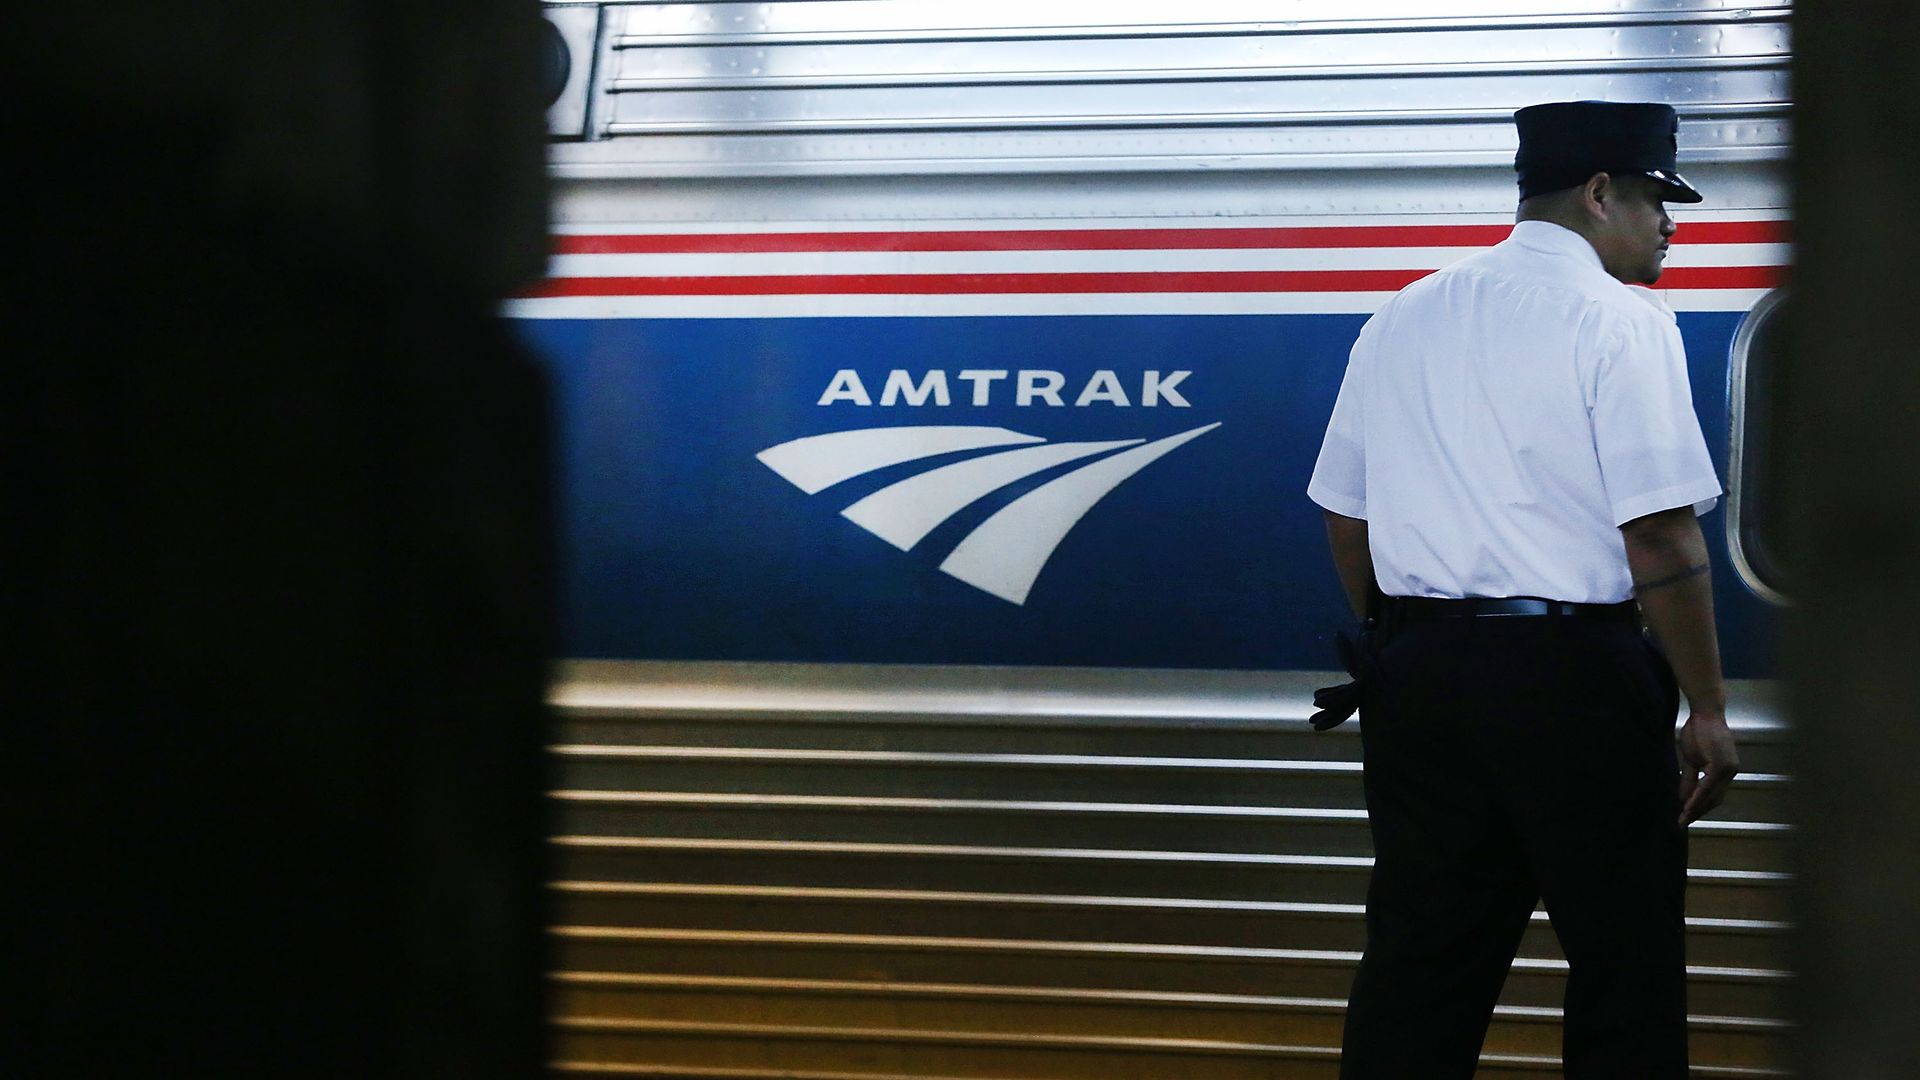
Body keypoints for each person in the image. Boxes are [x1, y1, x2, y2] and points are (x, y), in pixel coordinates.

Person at [1305, 100, 1743, 1078]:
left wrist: (1397, 637)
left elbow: (1345, 514)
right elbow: (1663, 538)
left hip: (1418, 680)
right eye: (1653, 199)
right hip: (1575, 677)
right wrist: (1707, 706)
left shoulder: (1404, 313)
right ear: (1598, 195)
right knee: (1623, 968)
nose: (1670, 223)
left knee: (1422, 964)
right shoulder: (1619, 319)